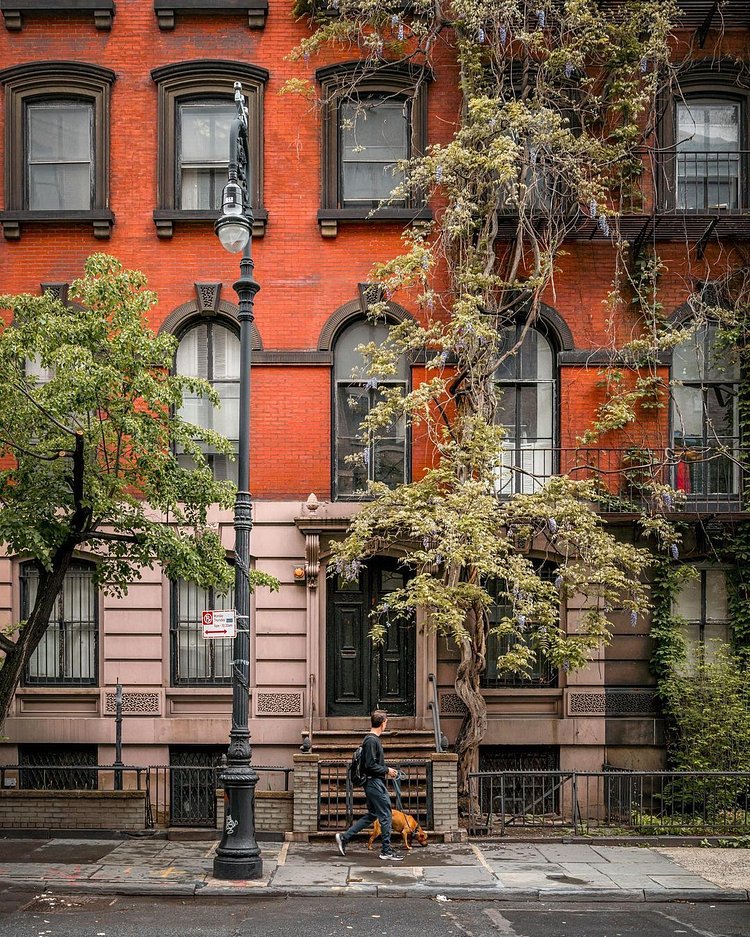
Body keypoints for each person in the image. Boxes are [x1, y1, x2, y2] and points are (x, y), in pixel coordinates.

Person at [335, 709, 403, 861]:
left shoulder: (371, 740)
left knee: (373, 814)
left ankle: (344, 837)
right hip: (374, 783)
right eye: (386, 722)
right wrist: (387, 770)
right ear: (382, 723)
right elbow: (370, 765)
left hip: (373, 783)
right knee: (386, 815)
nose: (386, 725)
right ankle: (386, 851)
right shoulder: (372, 741)